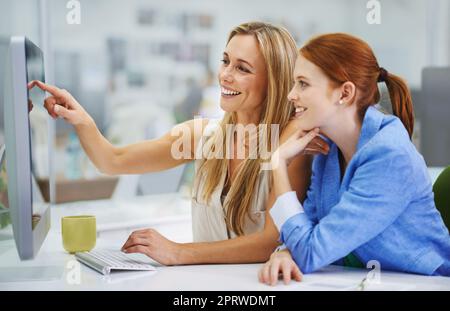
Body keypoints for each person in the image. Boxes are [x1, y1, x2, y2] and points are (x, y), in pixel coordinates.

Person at [32, 22, 329, 265]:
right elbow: (113, 160)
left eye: (242, 68)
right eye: (225, 61)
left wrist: (178, 251)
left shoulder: (291, 147)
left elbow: (270, 242)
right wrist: (82, 120)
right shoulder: (202, 135)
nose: (225, 75)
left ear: (273, 81)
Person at [259, 33, 450, 285]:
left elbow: (311, 251)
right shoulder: (328, 149)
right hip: (354, 281)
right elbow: (309, 227)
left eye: (303, 84)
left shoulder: (390, 155)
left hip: (423, 285)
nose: (291, 95)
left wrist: (279, 165)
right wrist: (284, 251)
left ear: (345, 93)